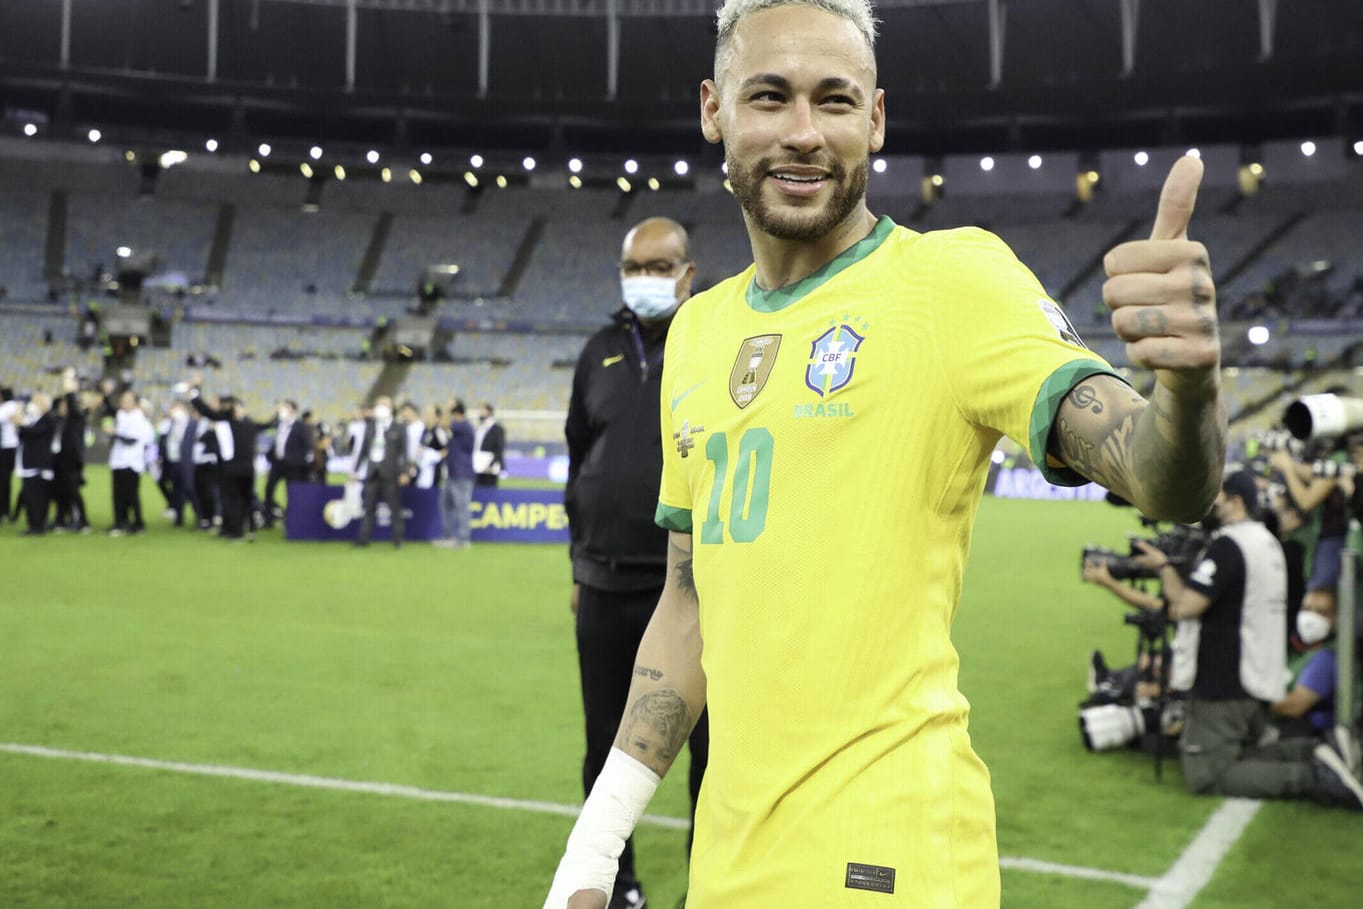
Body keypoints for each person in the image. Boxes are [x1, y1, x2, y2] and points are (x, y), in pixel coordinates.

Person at [545, 1, 1234, 906]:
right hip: (727, 858)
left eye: (834, 101)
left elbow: (1159, 475)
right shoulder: (700, 330)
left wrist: (1184, 387)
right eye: (769, 96)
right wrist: (595, 845)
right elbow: (688, 601)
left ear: (874, 118)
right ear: (714, 111)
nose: (802, 133)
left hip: (890, 856)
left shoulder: (952, 280)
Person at [563, 217, 710, 909]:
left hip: (694, 591)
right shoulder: (596, 351)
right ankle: (616, 884)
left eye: (661, 266)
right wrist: (575, 564)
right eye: (636, 267)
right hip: (602, 582)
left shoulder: (714, 339)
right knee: (605, 746)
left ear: (688, 272)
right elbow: (576, 456)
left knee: (712, 758)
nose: (646, 278)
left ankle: (709, 888)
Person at [1130, 472, 1362, 809]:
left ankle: (1315, 775)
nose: (1207, 506)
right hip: (1256, 672)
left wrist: (1164, 567)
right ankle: (1319, 750)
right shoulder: (1266, 541)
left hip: (1224, 679)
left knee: (1205, 774)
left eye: (1216, 497)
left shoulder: (1229, 544)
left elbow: (1185, 607)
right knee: (1246, 751)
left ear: (1236, 501)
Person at [352, 395, 411, 548]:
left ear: (391, 408)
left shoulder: (399, 427)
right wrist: (355, 470)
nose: (381, 407)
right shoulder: (370, 426)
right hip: (372, 473)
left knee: (395, 508)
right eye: (379, 404)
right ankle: (363, 539)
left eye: (384, 404)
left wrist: (404, 472)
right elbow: (363, 450)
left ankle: (398, 540)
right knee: (368, 507)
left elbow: (404, 452)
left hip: (391, 473)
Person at [108, 390, 155, 536]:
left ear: (135, 402)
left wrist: (115, 433)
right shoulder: (121, 416)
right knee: (117, 494)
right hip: (118, 461)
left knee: (131, 495)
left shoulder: (139, 419)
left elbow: (133, 440)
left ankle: (137, 523)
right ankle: (120, 521)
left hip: (132, 462)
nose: (124, 402)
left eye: (127, 399)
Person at [12, 392, 58, 535]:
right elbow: (23, 434)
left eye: (36, 401)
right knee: (30, 496)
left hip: (38, 464)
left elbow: (33, 433)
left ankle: (37, 526)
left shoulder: (48, 419)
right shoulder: (33, 418)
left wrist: (21, 423)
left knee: (37, 497)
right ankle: (34, 524)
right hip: (28, 463)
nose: (33, 404)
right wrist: (21, 424)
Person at [263, 399, 313, 528]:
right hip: (278, 463)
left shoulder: (300, 426)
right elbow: (277, 443)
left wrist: (303, 463)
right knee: (269, 489)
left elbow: (307, 445)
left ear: (293, 409)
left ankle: (291, 519)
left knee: (291, 492)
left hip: (293, 465)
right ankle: (268, 518)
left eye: (286, 407)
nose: (283, 410)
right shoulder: (280, 424)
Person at [437, 399, 476, 549]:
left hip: (462, 473)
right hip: (452, 471)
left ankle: (464, 539)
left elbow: (444, 424)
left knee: (462, 506)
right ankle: (448, 537)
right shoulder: (459, 427)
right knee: (445, 504)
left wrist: (446, 410)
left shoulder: (463, 425)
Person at [473, 402, 505, 488]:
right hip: (478, 467)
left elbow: (499, 449)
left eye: (482, 410)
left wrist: (490, 465)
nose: (480, 413)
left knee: (489, 494)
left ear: (488, 412)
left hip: (489, 469)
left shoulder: (497, 429)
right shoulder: (479, 429)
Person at [0, 386, 18, 524]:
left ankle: (3, 511)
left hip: (7, 448)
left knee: (3, 481)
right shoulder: (14, 406)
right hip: (10, 447)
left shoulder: (8, 406)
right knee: (5, 481)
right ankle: (6, 510)